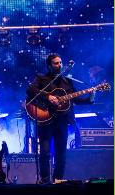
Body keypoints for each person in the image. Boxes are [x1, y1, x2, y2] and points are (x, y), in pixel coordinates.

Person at [26, 54, 94, 183]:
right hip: (45, 120)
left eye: (60, 62)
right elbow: (30, 89)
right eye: (56, 63)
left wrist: (90, 99)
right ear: (49, 66)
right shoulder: (42, 78)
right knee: (45, 153)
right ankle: (45, 181)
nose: (59, 65)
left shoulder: (67, 81)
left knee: (61, 155)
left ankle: (58, 181)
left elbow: (76, 99)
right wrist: (48, 97)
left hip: (62, 121)